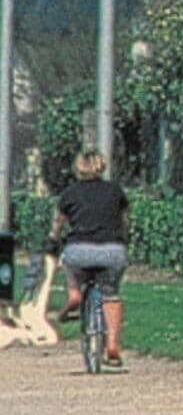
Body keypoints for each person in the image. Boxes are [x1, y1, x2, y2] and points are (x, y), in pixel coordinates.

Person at [55, 152, 128, 368]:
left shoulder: (69, 193)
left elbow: (59, 223)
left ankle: (75, 294)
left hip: (80, 248)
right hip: (111, 249)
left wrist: (54, 240)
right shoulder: (115, 191)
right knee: (111, 296)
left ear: (78, 167)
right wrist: (122, 240)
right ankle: (113, 345)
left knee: (70, 263)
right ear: (101, 165)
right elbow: (124, 220)